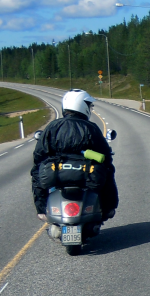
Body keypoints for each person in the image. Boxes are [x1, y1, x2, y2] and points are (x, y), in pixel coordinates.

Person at [30, 89, 118, 222]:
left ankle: (42, 210)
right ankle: (107, 209)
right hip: (84, 173)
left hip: (56, 173)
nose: (90, 108)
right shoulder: (90, 127)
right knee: (107, 169)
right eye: (89, 105)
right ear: (82, 106)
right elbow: (105, 155)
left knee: (36, 171)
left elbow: (39, 155)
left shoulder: (53, 126)